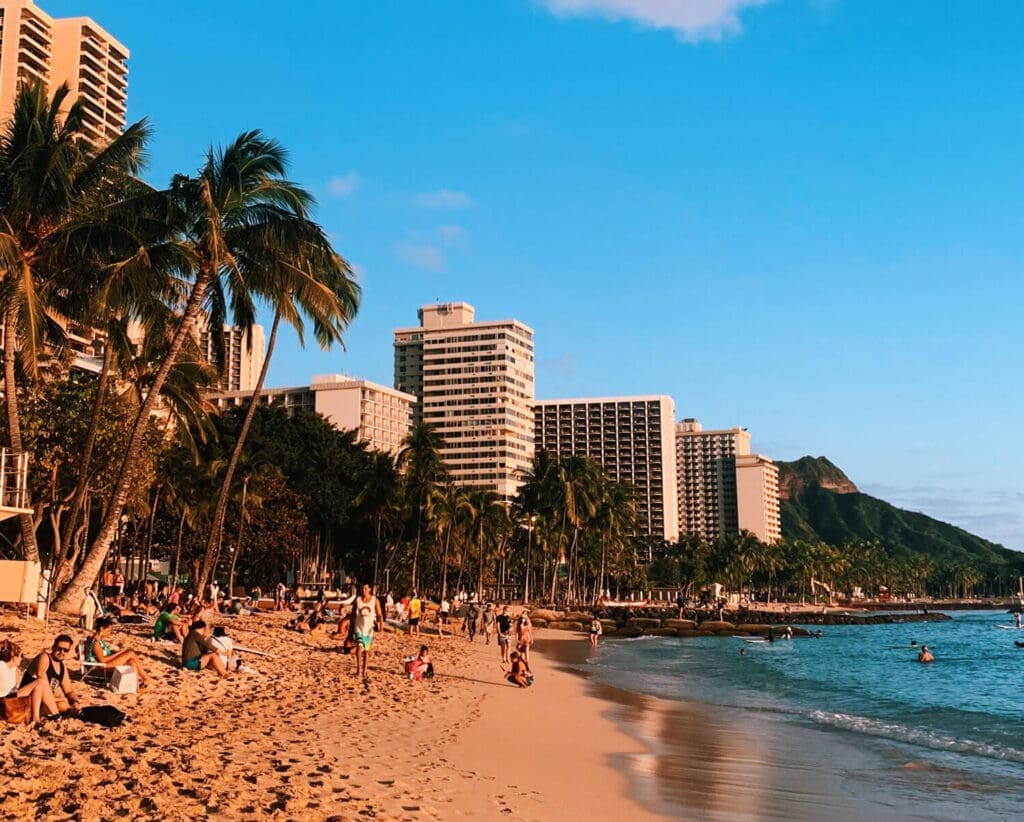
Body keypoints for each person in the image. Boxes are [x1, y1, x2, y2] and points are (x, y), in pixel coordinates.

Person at [20, 635, 84, 716]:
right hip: (30, 700)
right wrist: (58, 698)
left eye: (65, 650)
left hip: (46, 701)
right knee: (62, 704)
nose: (62, 652)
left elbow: (69, 691)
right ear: (53, 647)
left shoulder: (61, 666)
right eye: (59, 648)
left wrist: (75, 701)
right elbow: (41, 678)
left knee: (82, 702)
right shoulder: (44, 657)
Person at [1, 639, 60, 723]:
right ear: (13, 656)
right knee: (40, 681)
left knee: (39, 687)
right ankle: (56, 714)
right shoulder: (1, 666)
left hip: (9, 698)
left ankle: (36, 718)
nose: (22, 658)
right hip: (3, 703)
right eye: (21, 655)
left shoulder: (12, 668)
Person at [87, 617, 154, 687]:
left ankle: (136, 687)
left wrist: (117, 653)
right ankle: (146, 678)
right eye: (108, 630)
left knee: (132, 662)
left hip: (103, 666)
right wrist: (119, 653)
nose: (109, 633)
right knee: (130, 653)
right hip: (98, 669)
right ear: (101, 628)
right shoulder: (96, 642)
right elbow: (103, 660)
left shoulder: (98, 639)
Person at [352, 584, 385, 681]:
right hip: (358, 627)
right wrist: (351, 629)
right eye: (362, 588)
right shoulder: (357, 600)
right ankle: (358, 669)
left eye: (366, 588)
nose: (364, 590)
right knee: (359, 647)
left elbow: (379, 615)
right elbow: (353, 614)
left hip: (369, 628)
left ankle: (364, 671)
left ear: (370, 589)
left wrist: (381, 628)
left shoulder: (375, 600)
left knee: (367, 650)